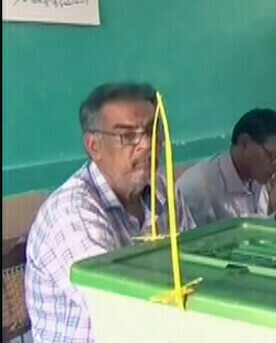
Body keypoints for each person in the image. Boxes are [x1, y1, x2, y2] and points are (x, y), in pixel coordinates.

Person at [25, 82, 196, 343]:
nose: (147, 144)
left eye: (152, 131)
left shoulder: (161, 189)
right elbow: (120, 309)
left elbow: (196, 264)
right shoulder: (72, 213)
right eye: (127, 136)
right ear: (94, 146)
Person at [178, 108, 276, 226]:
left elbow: (253, 224)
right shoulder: (196, 188)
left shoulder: (256, 177)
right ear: (244, 143)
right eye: (274, 156)